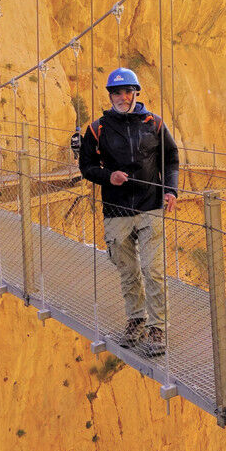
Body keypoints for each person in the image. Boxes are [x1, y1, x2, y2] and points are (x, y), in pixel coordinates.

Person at [78, 67, 178, 356]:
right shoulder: (97, 129)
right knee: (128, 271)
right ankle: (137, 321)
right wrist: (108, 176)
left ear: (136, 93)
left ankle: (157, 328)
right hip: (116, 209)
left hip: (150, 205)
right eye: (117, 92)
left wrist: (171, 190)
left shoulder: (154, 123)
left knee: (152, 268)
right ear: (110, 95)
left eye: (128, 91)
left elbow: (170, 159)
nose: (123, 97)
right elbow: (86, 167)